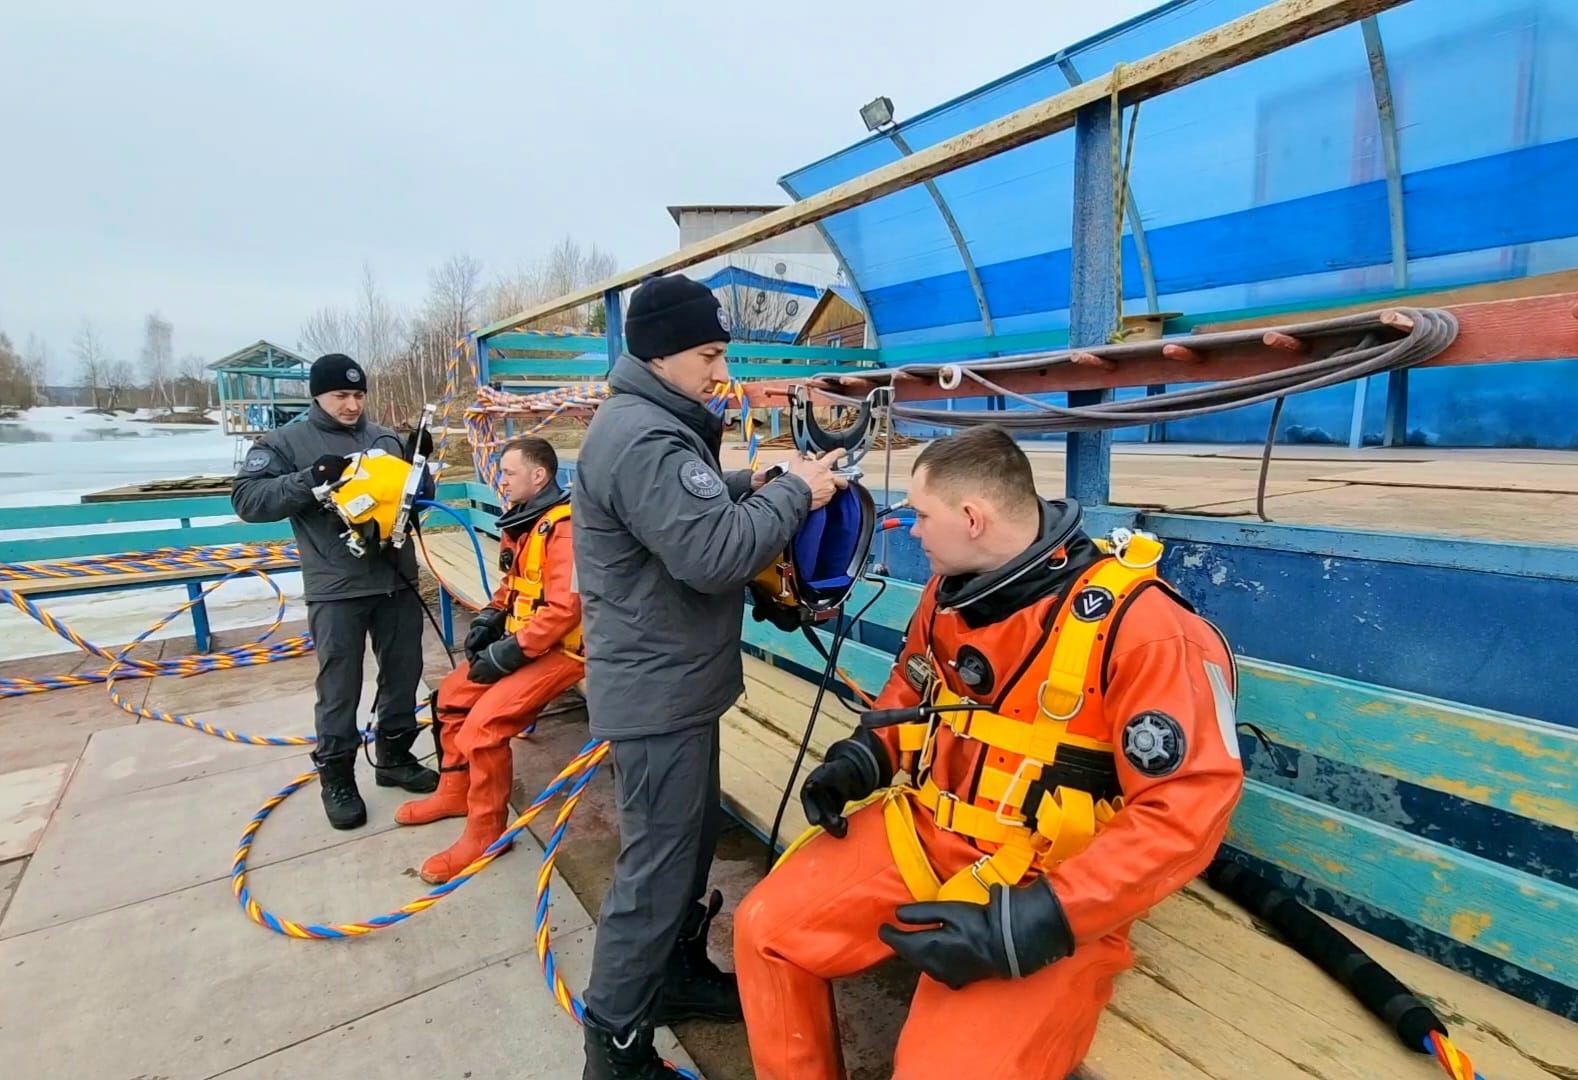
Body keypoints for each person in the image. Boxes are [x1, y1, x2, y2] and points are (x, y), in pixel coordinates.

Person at [733, 426, 1247, 1080]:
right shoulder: (951, 591)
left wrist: (1039, 920)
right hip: (927, 830)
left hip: (1050, 883)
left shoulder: (1149, 630)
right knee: (766, 932)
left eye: (920, 515)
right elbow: (914, 685)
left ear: (973, 519)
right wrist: (865, 757)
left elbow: (1188, 809)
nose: (911, 531)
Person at [572, 272, 848, 1079]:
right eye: (709, 353)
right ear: (661, 355)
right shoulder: (647, 436)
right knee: (657, 870)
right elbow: (712, 552)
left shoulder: (649, 425)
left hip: (675, 684)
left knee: (684, 853)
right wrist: (796, 490)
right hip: (659, 695)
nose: (719, 371)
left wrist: (749, 486)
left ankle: (678, 976)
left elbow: (679, 510)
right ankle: (616, 1047)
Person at [231, 353, 438, 830]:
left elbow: (413, 503)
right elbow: (247, 500)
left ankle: (394, 757)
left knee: (404, 672)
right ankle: (338, 777)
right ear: (317, 395)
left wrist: (421, 472)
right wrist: (309, 479)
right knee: (340, 686)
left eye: (358, 395)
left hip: (395, 579)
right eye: (341, 395)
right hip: (336, 586)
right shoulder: (286, 442)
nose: (351, 405)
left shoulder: (383, 438)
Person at [394, 435, 584, 885]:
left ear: (539, 476)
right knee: (452, 697)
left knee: (485, 727)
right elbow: (513, 586)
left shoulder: (567, 529)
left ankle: (487, 832)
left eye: (508, 472)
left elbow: (565, 610)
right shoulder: (525, 523)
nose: (500, 480)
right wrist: (489, 620)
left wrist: (509, 654)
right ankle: (455, 791)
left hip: (566, 651)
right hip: (527, 642)